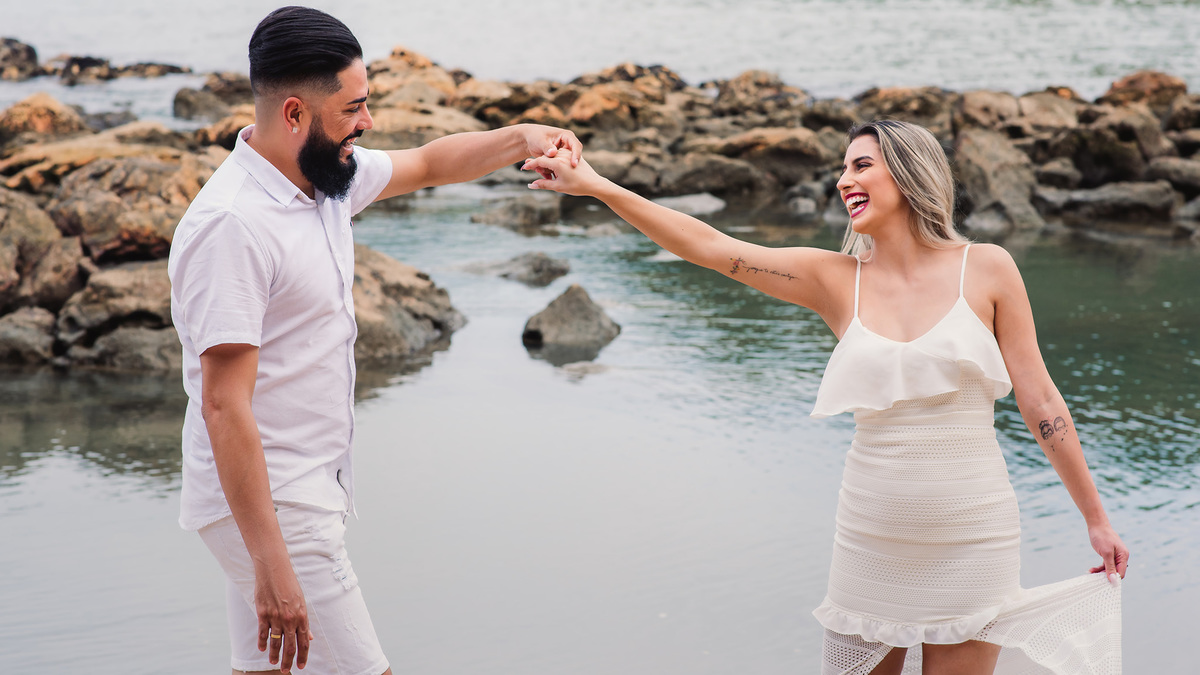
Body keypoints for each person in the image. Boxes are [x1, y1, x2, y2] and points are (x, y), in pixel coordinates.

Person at [522, 119, 1127, 674]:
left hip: (973, 534)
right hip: (871, 536)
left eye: (861, 166)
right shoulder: (834, 280)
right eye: (843, 169)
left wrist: (1096, 521)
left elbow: (1042, 402)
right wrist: (599, 186)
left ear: (909, 172)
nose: (844, 181)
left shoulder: (989, 268)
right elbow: (710, 248)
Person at [167, 7, 580, 675]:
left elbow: (427, 162)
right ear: (295, 113)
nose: (367, 122)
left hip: (292, 491)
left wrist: (523, 136)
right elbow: (223, 404)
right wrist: (272, 563)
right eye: (354, 108)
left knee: (269, 669)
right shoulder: (233, 225)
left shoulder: (322, 180)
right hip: (274, 503)